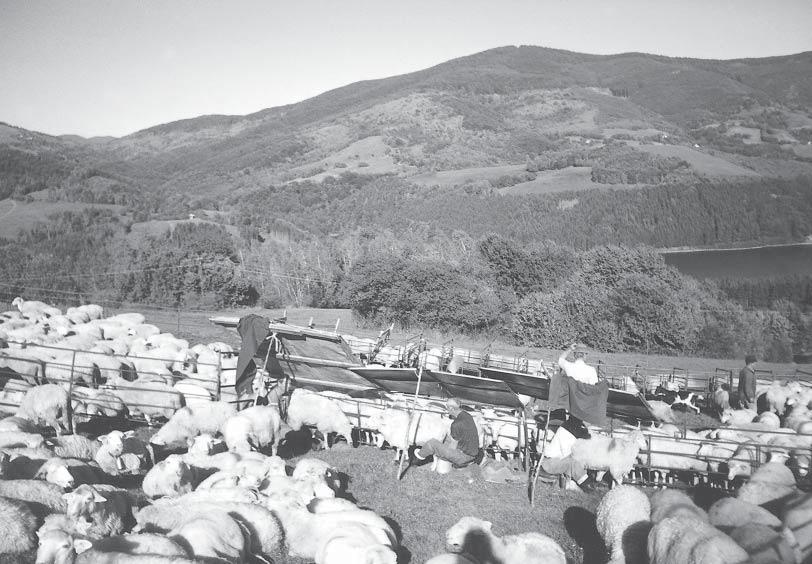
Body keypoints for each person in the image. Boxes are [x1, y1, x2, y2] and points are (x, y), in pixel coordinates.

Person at [412, 398, 482, 468]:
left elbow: (452, 447)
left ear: (451, 408)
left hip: (463, 457)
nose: (446, 410)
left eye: (447, 407)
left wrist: (439, 452)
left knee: (432, 443)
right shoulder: (467, 415)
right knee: (447, 439)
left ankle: (416, 460)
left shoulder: (456, 424)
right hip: (472, 453)